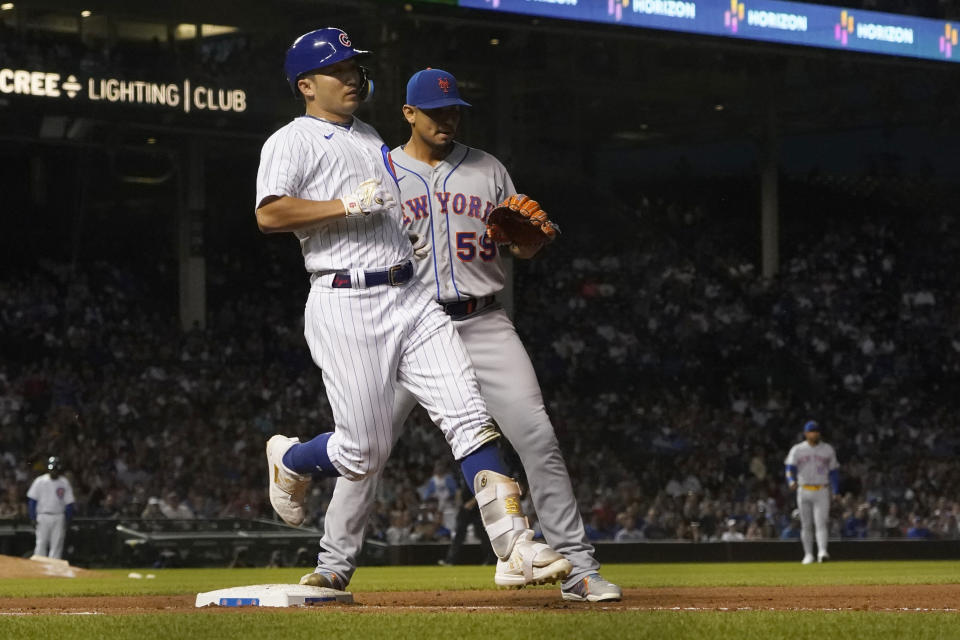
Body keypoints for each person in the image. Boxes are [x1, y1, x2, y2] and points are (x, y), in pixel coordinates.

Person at [256, 29, 570, 590]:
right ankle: (294, 460)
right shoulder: (291, 140)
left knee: (469, 416)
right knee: (362, 452)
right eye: (340, 71)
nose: (353, 77)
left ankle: (515, 546)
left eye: (355, 68)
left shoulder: (369, 133)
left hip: (412, 295)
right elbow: (270, 215)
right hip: (347, 301)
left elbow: (382, 210)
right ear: (306, 86)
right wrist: (342, 206)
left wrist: (404, 237)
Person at [309, 68, 621, 602]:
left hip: (483, 320)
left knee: (538, 439)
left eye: (454, 110)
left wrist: (531, 244)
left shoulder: (488, 168)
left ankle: (577, 568)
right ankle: (334, 564)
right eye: (436, 111)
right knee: (368, 443)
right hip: (404, 324)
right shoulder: (378, 170)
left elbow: (520, 240)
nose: (448, 119)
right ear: (409, 114)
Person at [784, 420, 839, 564]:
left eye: (815, 431)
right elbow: (789, 468)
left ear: (819, 433)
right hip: (803, 489)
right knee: (806, 524)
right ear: (806, 433)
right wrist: (791, 481)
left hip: (821, 489)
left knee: (821, 523)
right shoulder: (798, 449)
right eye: (811, 431)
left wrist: (836, 489)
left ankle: (822, 552)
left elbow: (833, 471)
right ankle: (808, 554)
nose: (813, 434)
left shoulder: (827, 449)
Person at [26, 456, 75, 560]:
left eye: (55, 468)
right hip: (42, 516)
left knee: (57, 544)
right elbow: (32, 501)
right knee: (41, 542)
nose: (54, 471)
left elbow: (69, 503)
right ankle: (39, 567)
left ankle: (54, 569)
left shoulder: (64, 482)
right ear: (48, 468)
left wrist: (68, 519)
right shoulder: (40, 481)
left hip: (59, 516)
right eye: (52, 468)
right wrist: (32, 517)